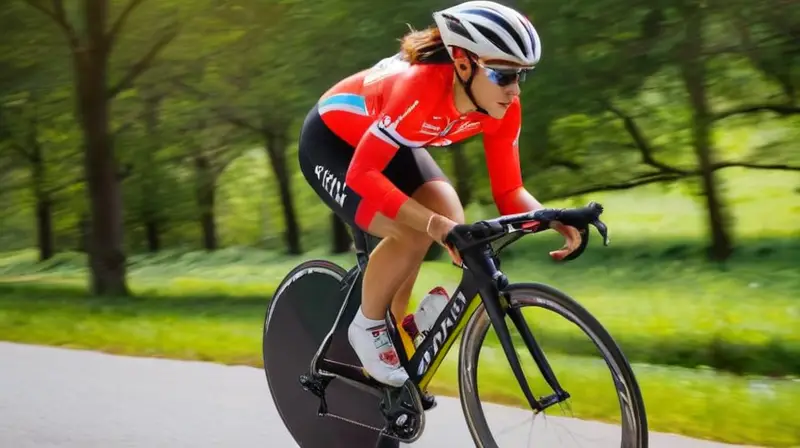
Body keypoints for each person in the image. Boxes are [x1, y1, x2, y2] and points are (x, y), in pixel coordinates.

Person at [298, 0, 581, 388]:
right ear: (463, 64)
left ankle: (397, 331)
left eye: (521, 77)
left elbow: (510, 191)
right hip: (332, 144)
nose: (514, 91)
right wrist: (433, 225)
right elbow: (363, 173)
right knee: (415, 229)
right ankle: (365, 327)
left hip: (391, 142)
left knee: (451, 212)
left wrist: (554, 218)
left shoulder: (501, 107)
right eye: (502, 76)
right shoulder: (419, 88)